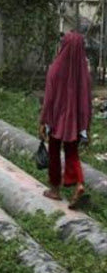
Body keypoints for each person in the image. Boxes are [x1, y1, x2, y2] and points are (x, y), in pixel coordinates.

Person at [39, 31, 92, 210]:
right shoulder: (83, 73)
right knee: (72, 152)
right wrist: (84, 126)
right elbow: (86, 101)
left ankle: (55, 189)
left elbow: (48, 99)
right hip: (75, 122)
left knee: (54, 151)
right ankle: (79, 183)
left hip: (56, 120)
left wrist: (44, 120)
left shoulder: (55, 68)